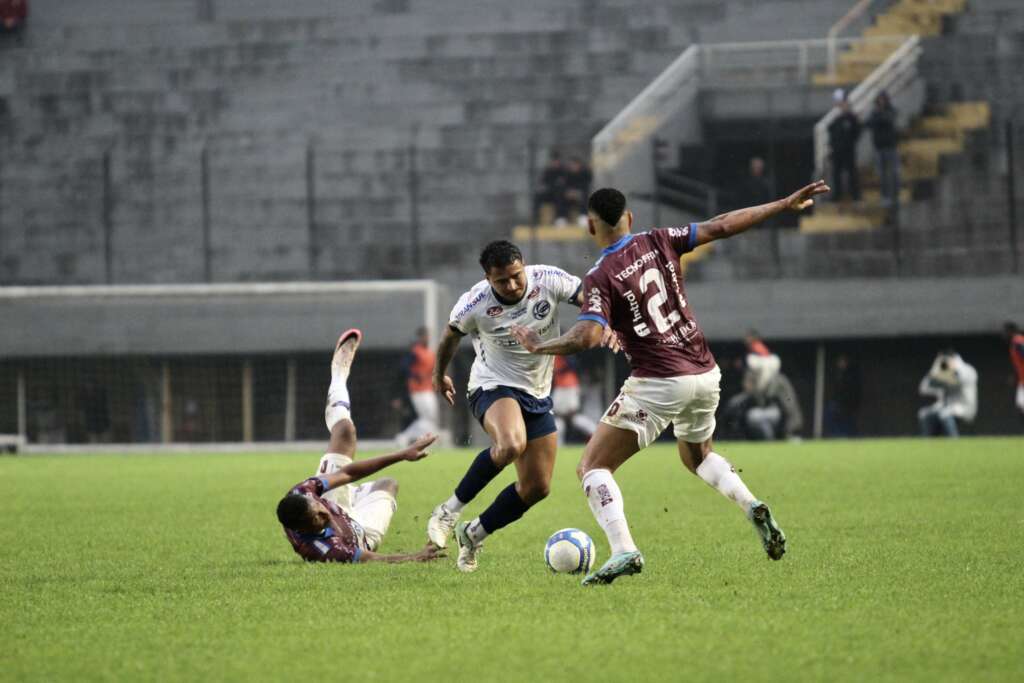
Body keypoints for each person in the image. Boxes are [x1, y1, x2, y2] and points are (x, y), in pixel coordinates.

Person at [512, 181, 828, 585]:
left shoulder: (600, 275)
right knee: (696, 456)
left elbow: (588, 336)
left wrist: (541, 346)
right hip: (705, 371)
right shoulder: (659, 239)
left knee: (593, 466)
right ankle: (750, 504)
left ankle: (624, 549)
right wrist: (784, 203)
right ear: (630, 218)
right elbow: (721, 226)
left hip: (659, 379)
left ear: (591, 229)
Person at [425, 240, 612, 573]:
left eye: (516, 276)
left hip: (537, 393)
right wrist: (439, 375)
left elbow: (590, 299)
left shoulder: (549, 279)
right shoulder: (474, 303)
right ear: (488, 278)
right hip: (491, 385)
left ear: (523, 265)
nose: (511, 285)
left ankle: (472, 533)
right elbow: (450, 336)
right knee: (511, 444)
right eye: (501, 281)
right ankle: (448, 510)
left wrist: (608, 325)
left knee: (537, 487)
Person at [276, 329, 445, 564]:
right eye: (317, 519)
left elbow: (347, 473)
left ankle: (338, 374)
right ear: (305, 528)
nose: (324, 514)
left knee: (345, 431)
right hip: (359, 532)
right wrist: (415, 557)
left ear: (311, 499)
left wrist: (402, 454)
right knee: (389, 484)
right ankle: (354, 495)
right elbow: (372, 559)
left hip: (337, 503)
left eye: (317, 507)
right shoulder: (323, 549)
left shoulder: (302, 493)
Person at [917, 350, 978, 437]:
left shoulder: (968, 370)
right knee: (924, 414)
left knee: (945, 413)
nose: (944, 363)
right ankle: (927, 444)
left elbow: (957, 381)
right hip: (947, 406)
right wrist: (934, 369)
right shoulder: (943, 371)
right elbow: (923, 388)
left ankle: (953, 442)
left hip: (965, 407)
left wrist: (950, 368)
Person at [395, 326, 439, 446]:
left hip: (428, 388)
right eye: (425, 336)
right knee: (427, 418)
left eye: (428, 335)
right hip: (418, 390)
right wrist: (414, 375)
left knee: (430, 418)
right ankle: (409, 437)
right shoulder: (415, 352)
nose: (427, 338)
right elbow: (403, 367)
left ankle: (415, 438)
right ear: (420, 337)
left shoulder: (430, 353)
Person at [865, 91, 900, 208]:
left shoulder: (890, 111)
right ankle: (885, 197)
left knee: (894, 173)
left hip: (890, 147)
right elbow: (868, 123)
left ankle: (895, 196)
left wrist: (879, 117)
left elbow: (888, 119)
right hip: (879, 148)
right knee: (882, 175)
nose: (881, 102)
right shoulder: (875, 113)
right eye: (879, 100)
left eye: (883, 99)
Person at [552, 356, 598, 443]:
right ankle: (558, 445)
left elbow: (574, 364)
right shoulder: (552, 353)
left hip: (569, 386)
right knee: (558, 418)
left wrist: (560, 370)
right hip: (560, 387)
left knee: (573, 416)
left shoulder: (563, 351)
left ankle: (596, 434)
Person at [828, 89, 861, 202]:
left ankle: (855, 195)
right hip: (837, 150)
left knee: (852, 172)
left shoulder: (851, 118)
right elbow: (831, 132)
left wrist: (850, 142)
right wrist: (832, 146)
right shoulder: (836, 118)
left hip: (848, 149)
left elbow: (857, 131)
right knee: (836, 173)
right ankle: (837, 195)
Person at [1005, 322, 1024, 420]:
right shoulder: (1016, 341)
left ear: (1011, 331)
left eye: (1005, 331)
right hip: (1022, 379)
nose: (1004, 334)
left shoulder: (1017, 341)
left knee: (1021, 405)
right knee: (1020, 405)